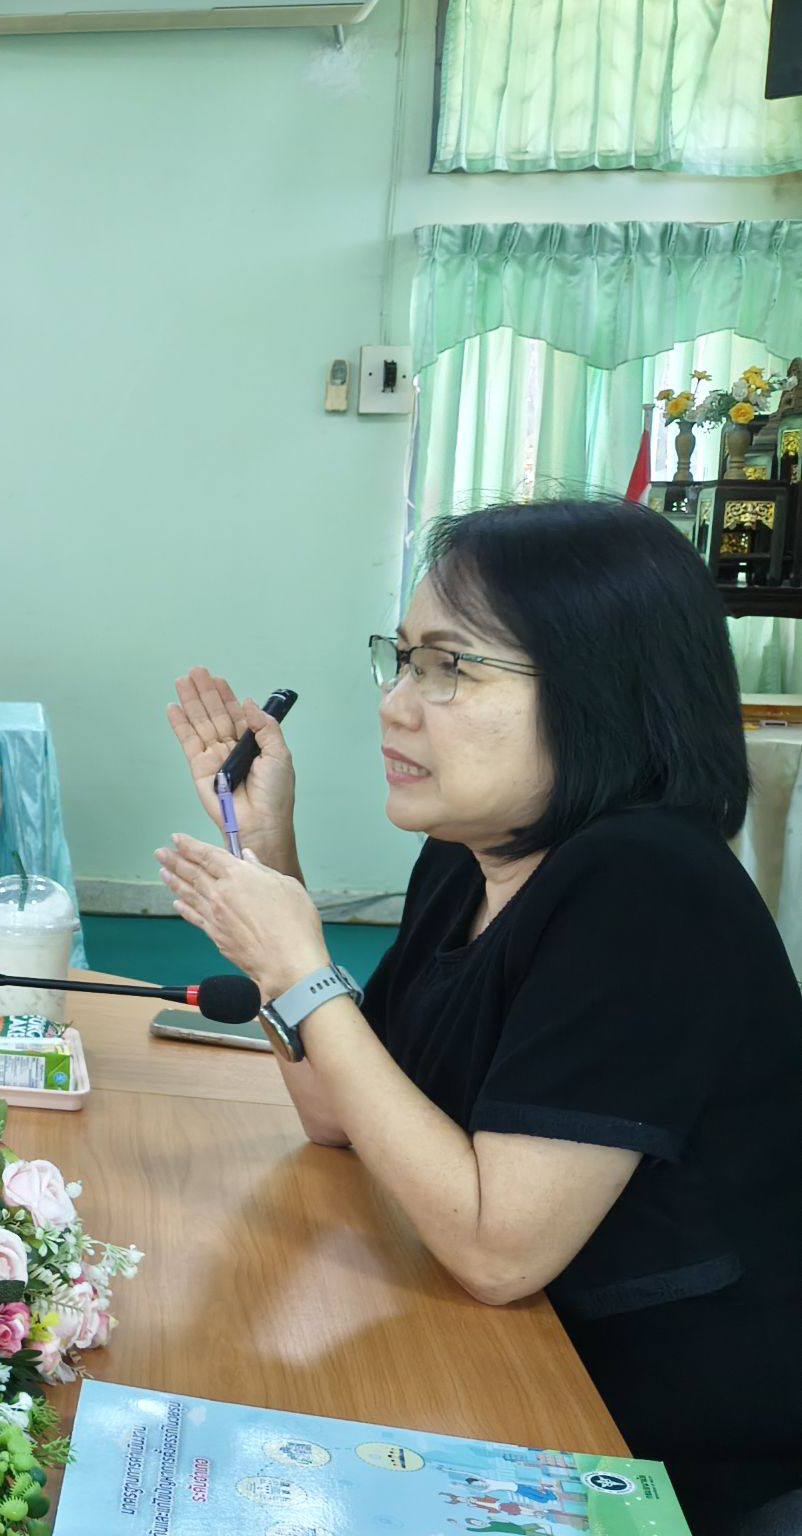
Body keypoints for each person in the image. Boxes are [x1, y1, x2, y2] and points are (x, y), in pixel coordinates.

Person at [154, 499, 802, 1529]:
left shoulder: (647, 887)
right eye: (403, 660)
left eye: (449, 668)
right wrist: (266, 850)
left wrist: (300, 966)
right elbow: (339, 1112)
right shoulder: (471, 858)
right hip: (503, 1361)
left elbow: (500, 1251)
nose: (396, 706)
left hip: (646, 1441)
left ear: (599, 689)